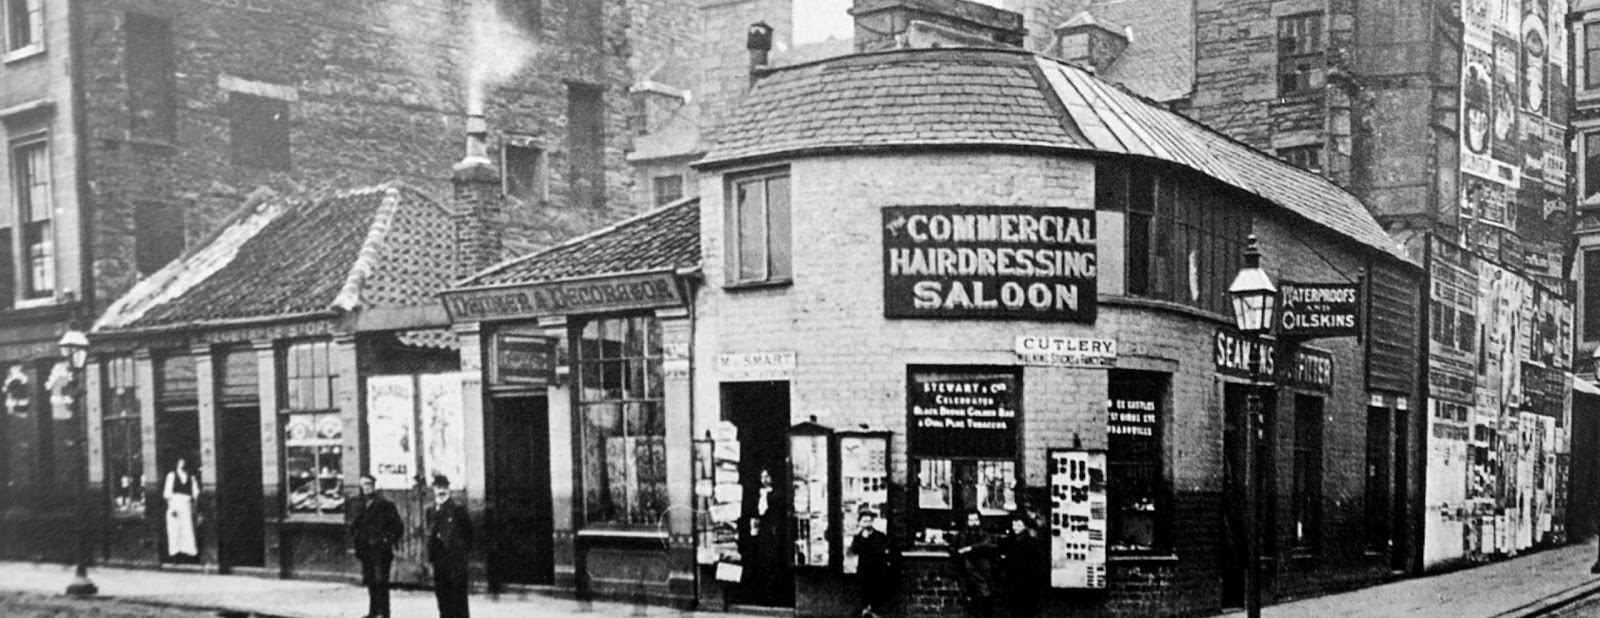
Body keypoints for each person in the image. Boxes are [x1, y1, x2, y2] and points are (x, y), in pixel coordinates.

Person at [350, 474, 404, 618]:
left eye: (368, 484)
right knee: (371, 582)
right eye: (363, 485)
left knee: (381, 583)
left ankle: (385, 614)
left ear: (374, 485)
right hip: (366, 550)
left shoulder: (385, 505)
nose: (366, 487)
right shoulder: (360, 505)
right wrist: (356, 537)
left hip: (381, 551)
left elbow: (398, 527)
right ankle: (373, 612)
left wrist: (387, 540)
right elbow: (354, 524)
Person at [428, 474, 474, 618]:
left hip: (455, 561)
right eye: (438, 487)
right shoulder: (430, 511)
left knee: (458, 599)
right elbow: (430, 536)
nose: (441, 491)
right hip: (439, 561)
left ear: (448, 489)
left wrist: (461, 552)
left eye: (444, 487)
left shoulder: (458, 510)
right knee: (442, 597)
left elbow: (469, 534)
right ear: (433, 489)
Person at [949, 510, 998, 618]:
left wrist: (971, 548)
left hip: (983, 572)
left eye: (976, 520)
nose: (974, 523)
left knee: (986, 599)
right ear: (967, 521)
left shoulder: (984, 534)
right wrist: (958, 552)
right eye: (971, 520)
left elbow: (989, 544)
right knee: (971, 604)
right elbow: (953, 549)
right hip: (968, 574)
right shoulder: (962, 535)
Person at [998, 513, 1046, 618]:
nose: (1015, 528)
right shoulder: (1010, 540)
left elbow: (1037, 562)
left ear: (1025, 526)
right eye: (1014, 525)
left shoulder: (1031, 542)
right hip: (1014, 578)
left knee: (1027, 608)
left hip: (1028, 579)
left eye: (1019, 525)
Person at [849, 509, 894, 618]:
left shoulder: (880, 536)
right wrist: (864, 538)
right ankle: (866, 610)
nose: (867, 524)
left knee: (877, 592)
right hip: (864, 569)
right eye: (864, 521)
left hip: (877, 569)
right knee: (864, 591)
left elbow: (882, 549)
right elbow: (855, 549)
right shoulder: (858, 537)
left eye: (869, 521)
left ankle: (873, 611)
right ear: (860, 523)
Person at [163, 458, 200, 559]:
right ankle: (175, 552)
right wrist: (172, 508)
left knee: (187, 527)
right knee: (174, 528)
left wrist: (195, 503)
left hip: (186, 504)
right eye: (180, 462)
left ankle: (188, 551)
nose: (182, 464)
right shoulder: (171, 475)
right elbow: (168, 492)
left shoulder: (190, 476)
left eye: (184, 462)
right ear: (176, 463)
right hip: (175, 503)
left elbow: (195, 491)